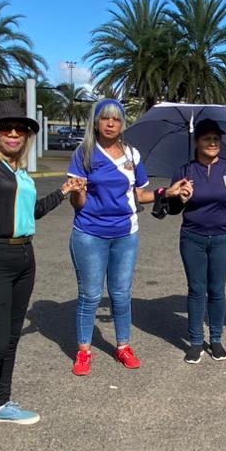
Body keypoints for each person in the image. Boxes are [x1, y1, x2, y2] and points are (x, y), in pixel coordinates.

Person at [0, 102, 86, 451]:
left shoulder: (21, 173)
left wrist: (65, 191)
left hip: (24, 255)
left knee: (11, 338)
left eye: (19, 129)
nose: (12, 133)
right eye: (4, 128)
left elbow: (34, 211)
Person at [67, 99, 165, 375]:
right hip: (89, 234)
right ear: (96, 122)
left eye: (117, 119)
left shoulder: (132, 155)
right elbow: (78, 204)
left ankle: (123, 346)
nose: (111, 124)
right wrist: (77, 189)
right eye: (105, 119)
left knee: (121, 295)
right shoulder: (84, 153)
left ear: (123, 124)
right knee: (90, 295)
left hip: (126, 234)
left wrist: (164, 193)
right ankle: (84, 351)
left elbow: (142, 194)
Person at [155, 118, 226, 363]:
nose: (212, 143)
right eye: (207, 138)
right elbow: (174, 210)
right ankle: (196, 341)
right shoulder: (184, 171)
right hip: (192, 238)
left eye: (216, 139)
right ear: (196, 142)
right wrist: (181, 198)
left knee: (217, 290)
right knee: (197, 290)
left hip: (224, 238)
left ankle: (216, 339)